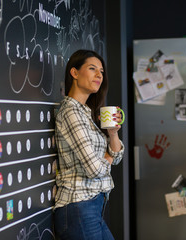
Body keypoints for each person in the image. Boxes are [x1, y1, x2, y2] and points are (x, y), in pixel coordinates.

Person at [53, 49, 125, 240]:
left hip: (92, 207)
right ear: (74, 73)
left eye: (101, 71)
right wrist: (108, 156)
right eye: (92, 69)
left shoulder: (87, 112)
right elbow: (94, 169)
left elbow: (117, 157)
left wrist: (113, 133)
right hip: (78, 207)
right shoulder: (71, 112)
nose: (99, 75)